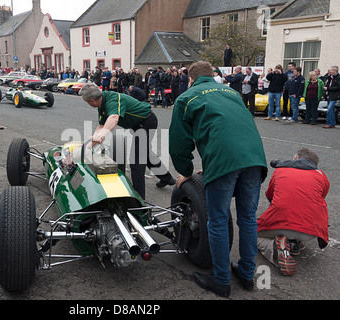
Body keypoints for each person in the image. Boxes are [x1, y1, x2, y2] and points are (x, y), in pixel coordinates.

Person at [169, 61, 267, 298]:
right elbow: (229, 126)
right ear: (213, 76)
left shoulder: (187, 97)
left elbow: (179, 143)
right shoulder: (231, 92)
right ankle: (246, 273)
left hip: (224, 160)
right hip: (254, 158)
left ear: (190, 79)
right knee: (247, 219)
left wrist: (187, 170)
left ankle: (221, 280)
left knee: (218, 220)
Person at [80, 83, 175, 199]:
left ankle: (138, 200)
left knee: (136, 161)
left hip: (147, 122)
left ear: (91, 101)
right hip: (137, 125)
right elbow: (100, 127)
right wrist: (87, 147)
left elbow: (114, 118)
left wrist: (102, 135)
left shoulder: (113, 99)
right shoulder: (101, 104)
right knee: (145, 154)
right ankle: (167, 178)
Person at [257, 148, 329, 276]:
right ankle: (294, 243)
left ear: (296, 158)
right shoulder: (322, 176)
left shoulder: (281, 170)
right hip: (312, 232)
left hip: (283, 223)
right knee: (304, 211)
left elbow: (271, 196)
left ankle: (274, 246)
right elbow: (317, 200)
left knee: (251, 234)